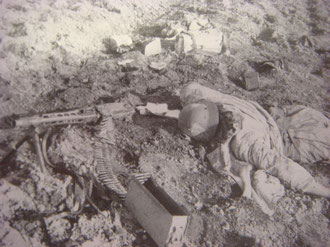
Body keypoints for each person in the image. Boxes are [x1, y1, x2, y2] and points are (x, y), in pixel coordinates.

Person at [178, 83, 330, 198]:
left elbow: (280, 165)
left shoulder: (243, 143)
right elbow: (190, 88)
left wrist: (324, 191)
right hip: (294, 122)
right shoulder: (220, 102)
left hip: (293, 132)